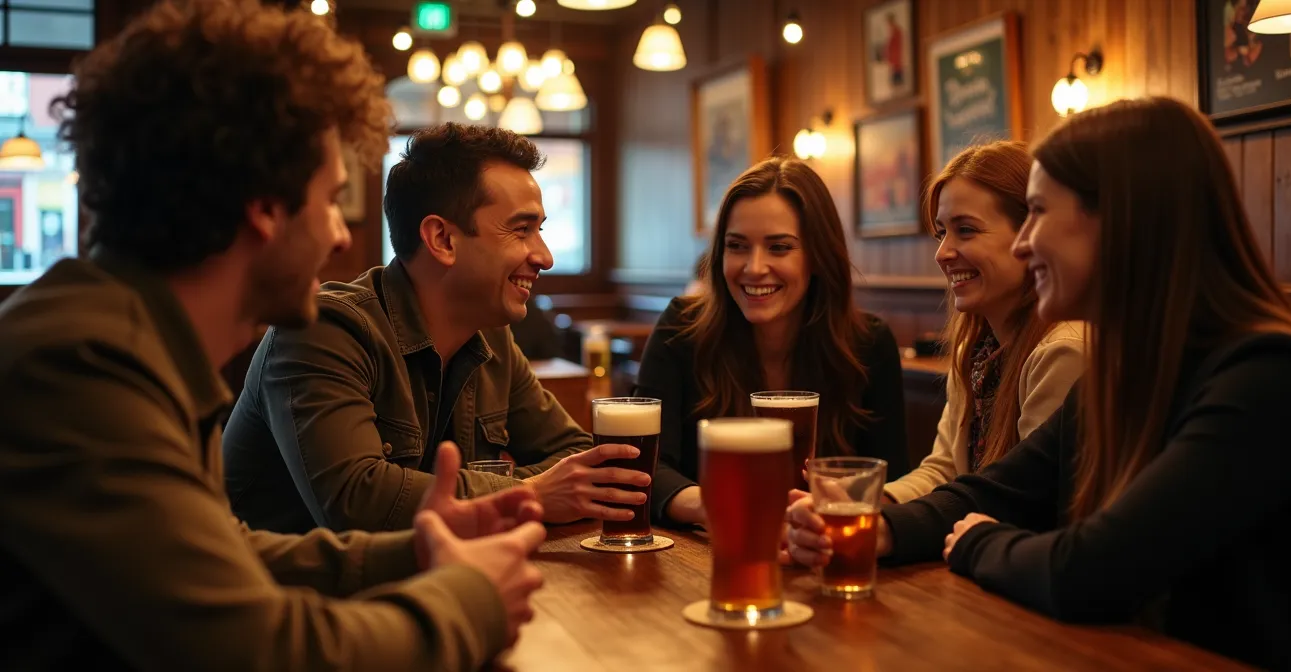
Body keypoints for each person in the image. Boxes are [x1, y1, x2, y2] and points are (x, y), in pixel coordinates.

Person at [0, 1, 546, 669]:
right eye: (327, 200)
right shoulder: (77, 367)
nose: (340, 236)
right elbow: (255, 650)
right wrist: (469, 601)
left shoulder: (126, 339)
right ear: (263, 209)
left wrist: (421, 547)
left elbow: (226, 551)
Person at [786, 97, 1291, 670]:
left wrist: (980, 542)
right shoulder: (1124, 372)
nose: (1024, 241)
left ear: (1121, 220)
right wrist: (875, 530)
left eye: (1037, 212)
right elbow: (992, 491)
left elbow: (1092, 569)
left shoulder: (1266, 374)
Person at [222, 123, 649, 534]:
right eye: (521, 230)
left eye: (540, 230)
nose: (544, 256)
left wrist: (501, 492)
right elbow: (358, 502)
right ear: (442, 239)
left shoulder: (489, 336)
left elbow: (579, 460)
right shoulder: (323, 330)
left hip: (423, 584)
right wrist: (531, 492)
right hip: (290, 600)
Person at [636, 156, 910, 525]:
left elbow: (890, 482)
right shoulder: (681, 329)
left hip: (824, 550)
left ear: (818, 255)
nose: (754, 267)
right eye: (737, 246)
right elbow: (647, 466)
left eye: (779, 247)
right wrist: (722, 506)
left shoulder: (868, 343)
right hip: (707, 553)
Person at [882, 141, 1085, 504]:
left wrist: (887, 528)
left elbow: (1021, 504)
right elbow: (942, 471)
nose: (942, 253)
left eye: (966, 230)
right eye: (941, 231)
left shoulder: (1063, 350)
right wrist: (870, 503)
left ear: (1028, 236)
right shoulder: (976, 351)